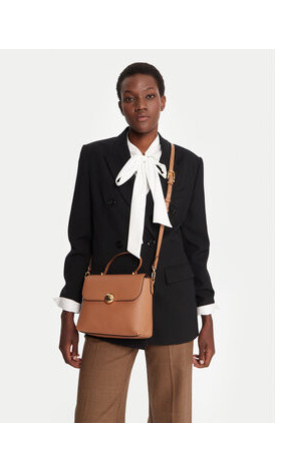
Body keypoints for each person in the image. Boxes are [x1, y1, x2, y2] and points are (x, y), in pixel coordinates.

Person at [55, 62, 218, 423]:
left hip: (173, 305)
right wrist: (69, 312)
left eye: (149, 96)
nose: (140, 105)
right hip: (109, 301)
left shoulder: (188, 163)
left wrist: (206, 316)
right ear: (120, 106)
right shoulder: (95, 157)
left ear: (163, 101)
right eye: (130, 98)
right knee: (94, 418)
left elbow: (197, 245)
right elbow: (80, 238)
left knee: (172, 420)